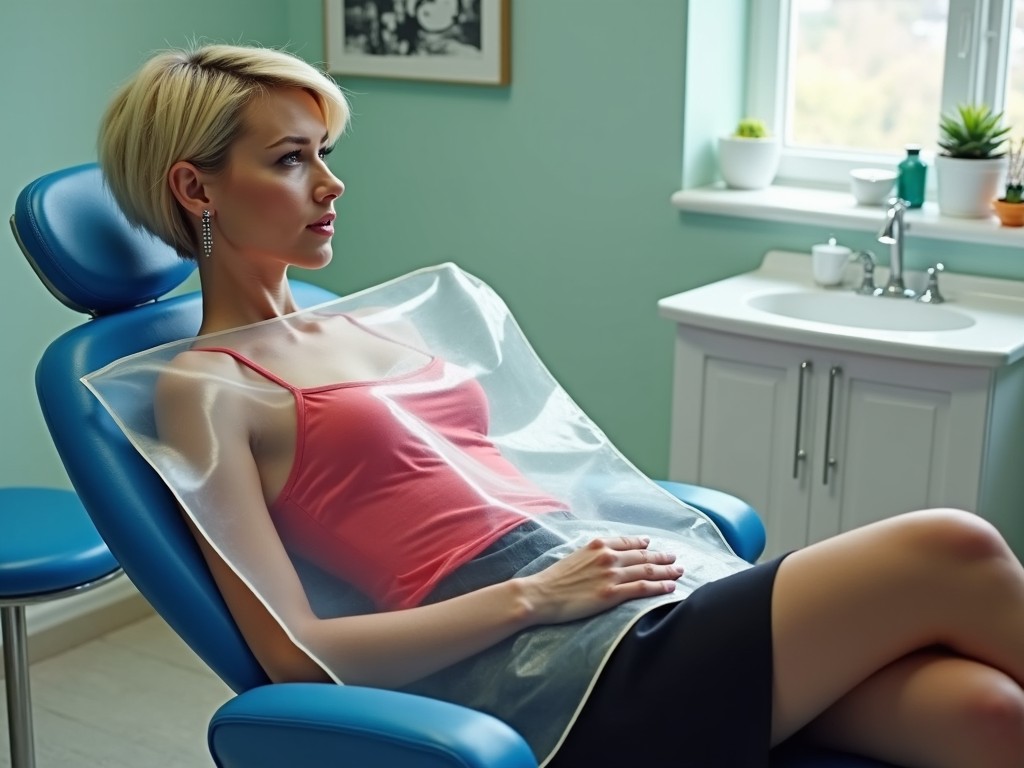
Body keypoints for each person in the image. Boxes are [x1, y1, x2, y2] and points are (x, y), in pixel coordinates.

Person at [96, 44, 1024, 768]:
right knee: (952, 544)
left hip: (622, 594)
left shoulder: (372, 322)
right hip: (557, 668)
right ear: (195, 186)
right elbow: (297, 655)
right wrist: (537, 593)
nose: (331, 184)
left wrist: (593, 564)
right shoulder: (203, 391)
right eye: (292, 160)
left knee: (988, 721)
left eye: (326, 154)